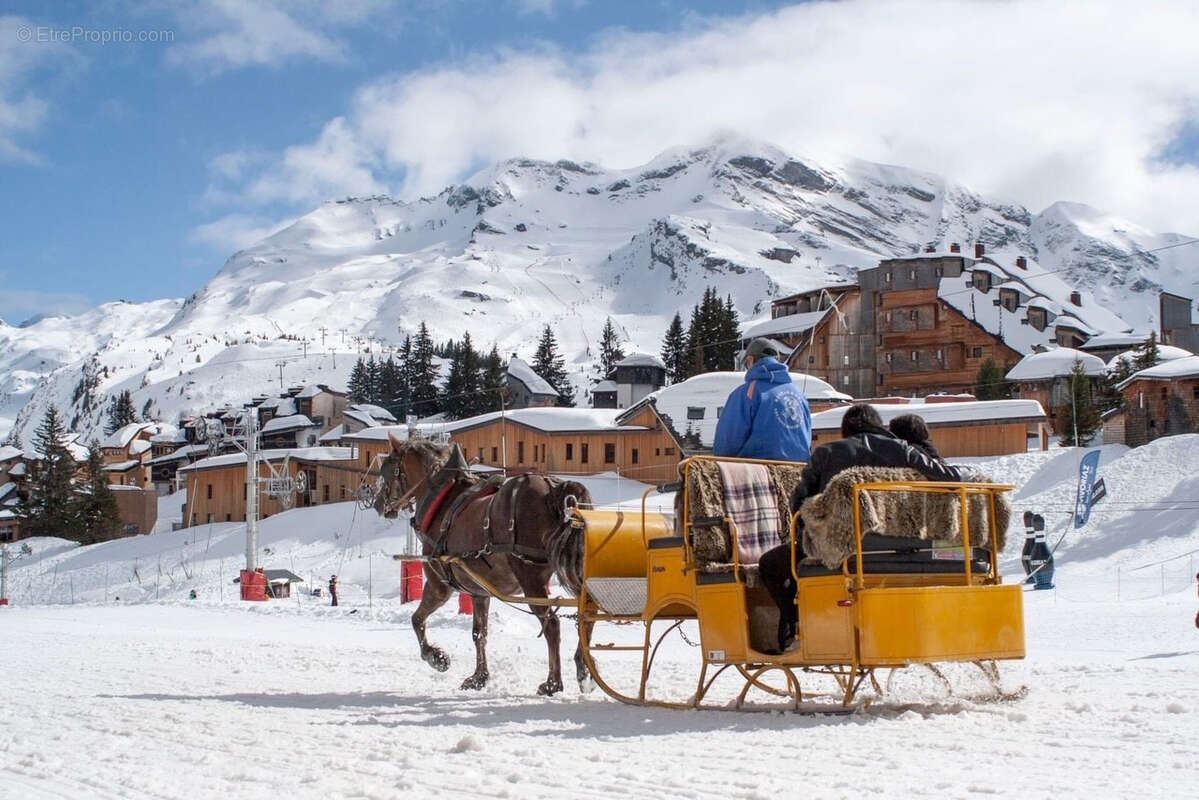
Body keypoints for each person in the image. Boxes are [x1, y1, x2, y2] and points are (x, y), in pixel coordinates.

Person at [758, 403, 964, 652]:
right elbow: (949, 478)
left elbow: (800, 503)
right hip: (900, 546)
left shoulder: (827, 453)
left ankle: (796, 622)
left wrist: (805, 533)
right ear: (878, 426)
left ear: (846, 429)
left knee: (770, 564)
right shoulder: (903, 450)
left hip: (840, 547)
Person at [712, 338, 812, 462]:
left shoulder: (747, 393)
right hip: (798, 472)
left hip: (758, 473)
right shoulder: (799, 395)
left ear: (750, 361)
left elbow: (728, 441)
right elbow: (807, 437)